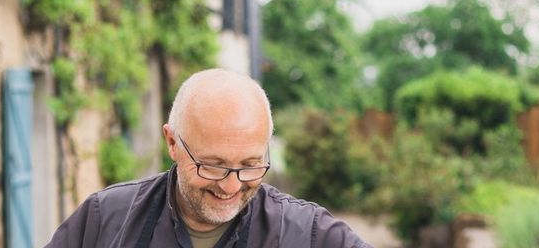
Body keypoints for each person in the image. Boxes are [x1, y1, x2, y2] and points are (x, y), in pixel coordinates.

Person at [44, 68, 372, 248]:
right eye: (212, 165)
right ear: (172, 142)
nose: (230, 186)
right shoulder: (104, 220)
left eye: (250, 165)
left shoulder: (309, 235)